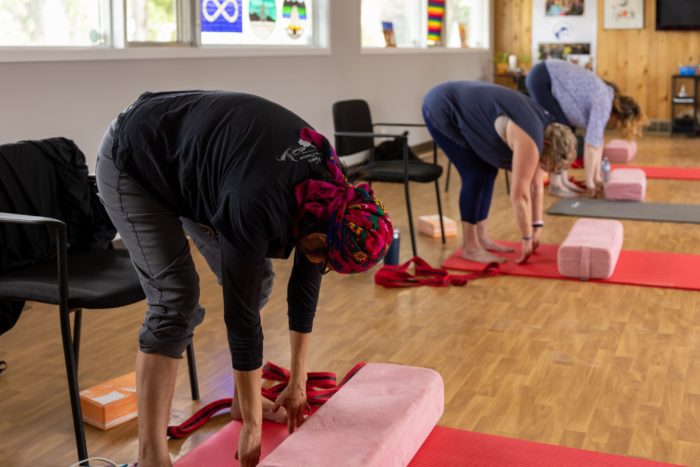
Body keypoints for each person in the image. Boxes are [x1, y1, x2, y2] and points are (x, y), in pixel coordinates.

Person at [95, 91, 393, 467]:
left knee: (261, 281)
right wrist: (252, 424)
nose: (322, 266)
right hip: (136, 159)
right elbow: (241, 317)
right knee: (176, 302)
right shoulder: (257, 203)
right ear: (320, 237)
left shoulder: (331, 195)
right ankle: (150, 454)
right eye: (327, 260)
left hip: (200, 167)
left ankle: (242, 397)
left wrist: (297, 381)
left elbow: (304, 288)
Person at [422, 81, 577, 265]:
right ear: (547, 145)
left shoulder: (548, 129)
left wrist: (537, 227)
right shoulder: (529, 138)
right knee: (475, 173)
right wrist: (526, 238)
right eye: (546, 162)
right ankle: (470, 247)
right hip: (441, 107)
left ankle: (482, 238)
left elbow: (536, 186)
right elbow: (519, 196)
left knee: (488, 171)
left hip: (463, 104)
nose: (543, 167)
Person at [526, 59, 646, 198]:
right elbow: (590, 146)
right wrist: (589, 183)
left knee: (566, 131)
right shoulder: (604, 103)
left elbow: (598, 143)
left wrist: (596, 178)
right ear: (620, 116)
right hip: (543, 78)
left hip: (545, 75)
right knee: (559, 130)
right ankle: (556, 184)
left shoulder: (606, 98)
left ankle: (562, 181)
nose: (614, 127)